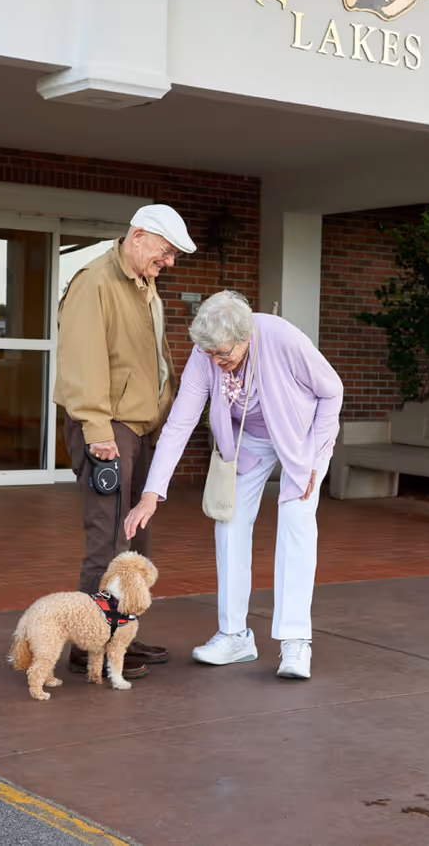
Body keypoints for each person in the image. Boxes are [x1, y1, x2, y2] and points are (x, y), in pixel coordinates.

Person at [125, 291, 343, 680]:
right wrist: (150, 494)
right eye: (209, 354)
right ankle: (234, 635)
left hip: (302, 436)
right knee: (229, 521)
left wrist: (316, 455)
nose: (216, 362)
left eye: (223, 355)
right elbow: (179, 424)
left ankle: (295, 642)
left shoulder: (281, 337)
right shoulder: (206, 353)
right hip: (248, 441)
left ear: (246, 337)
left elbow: (332, 390)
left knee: (295, 519)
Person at [54, 203, 197, 680]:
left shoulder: (143, 284)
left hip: (138, 427)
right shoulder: (94, 282)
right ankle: (85, 645)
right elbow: (82, 361)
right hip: (109, 428)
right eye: (165, 251)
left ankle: (117, 638)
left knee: (134, 539)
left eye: (174, 255)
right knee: (108, 539)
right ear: (138, 236)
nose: (169, 262)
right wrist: (96, 431)